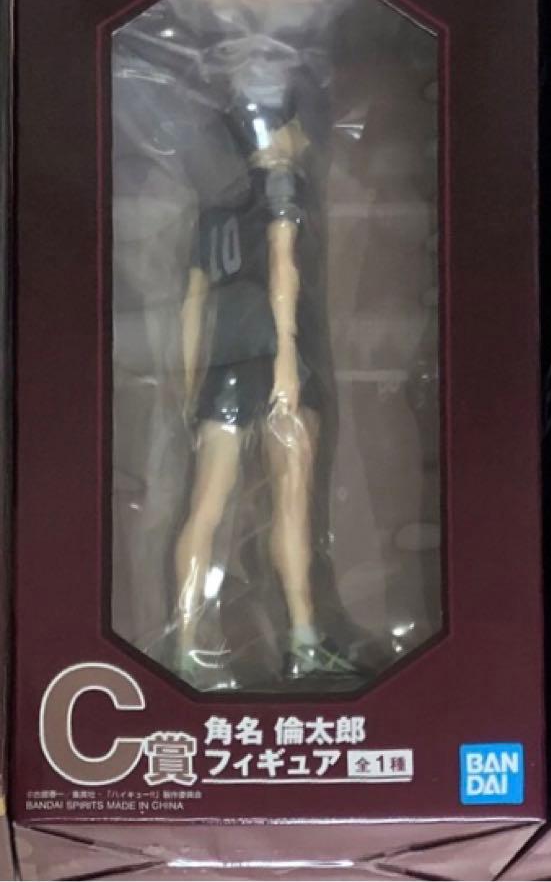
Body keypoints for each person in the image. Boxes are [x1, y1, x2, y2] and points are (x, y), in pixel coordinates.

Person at [172, 53, 353, 689]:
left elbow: (193, 302)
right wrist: (286, 369)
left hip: (222, 371)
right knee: (292, 507)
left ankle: (183, 645)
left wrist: (191, 383)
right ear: (278, 129)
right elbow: (283, 273)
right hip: (277, 364)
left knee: (205, 508)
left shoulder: (217, 208)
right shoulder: (284, 188)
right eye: (298, 125)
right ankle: (303, 640)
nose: (305, 138)